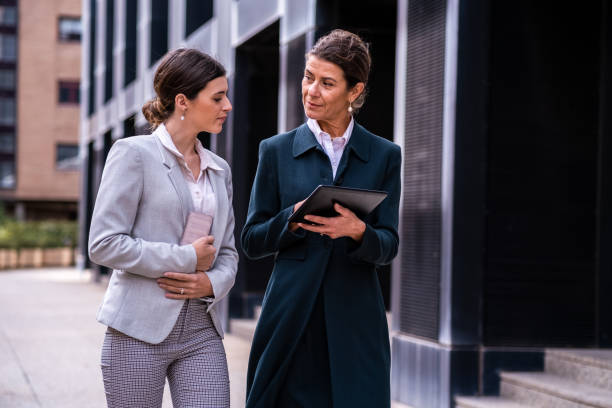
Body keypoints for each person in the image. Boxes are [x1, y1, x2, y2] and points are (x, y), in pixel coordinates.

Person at [242, 29, 401, 408]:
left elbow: (389, 244)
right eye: (308, 77)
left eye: (327, 83)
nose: (311, 91)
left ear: (354, 91)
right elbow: (251, 239)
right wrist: (290, 220)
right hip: (291, 314)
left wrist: (360, 232)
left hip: (356, 316)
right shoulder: (276, 151)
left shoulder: (384, 155)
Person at [88, 48, 237, 408]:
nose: (227, 105)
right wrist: (186, 258)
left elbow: (228, 251)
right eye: (217, 97)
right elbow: (103, 244)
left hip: (201, 328)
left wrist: (211, 282)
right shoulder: (132, 154)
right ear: (183, 101)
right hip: (137, 328)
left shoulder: (219, 169)